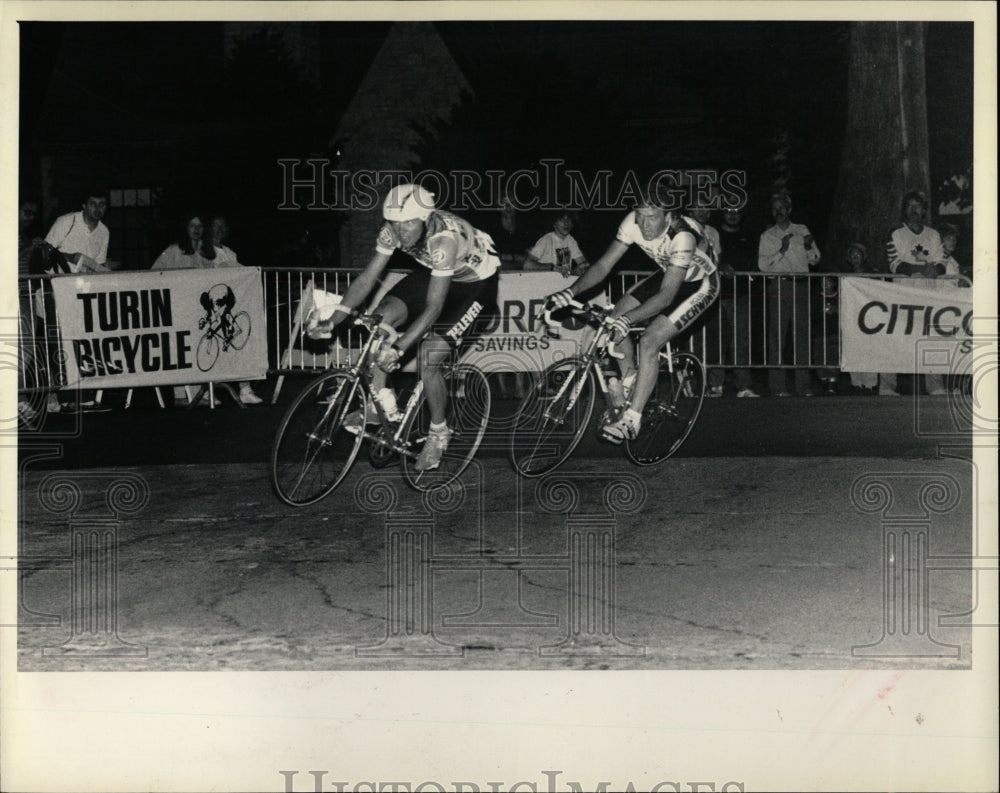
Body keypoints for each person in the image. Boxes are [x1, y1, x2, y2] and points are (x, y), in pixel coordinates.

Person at [308, 183, 500, 472]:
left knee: (428, 358)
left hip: (475, 287)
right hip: (436, 274)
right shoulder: (392, 230)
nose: (401, 231)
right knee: (379, 319)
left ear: (425, 219)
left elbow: (435, 307)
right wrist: (332, 321)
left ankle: (438, 432)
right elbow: (367, 278)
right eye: (395, 223)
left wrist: (399, 348)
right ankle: (381, 403)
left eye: (409, 223)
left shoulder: (442, 240)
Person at [543, 190, 720, 444]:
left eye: (651, 218)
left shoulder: (682, 236)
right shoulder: (632, 222)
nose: (644, 224)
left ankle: (632, 421)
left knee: (648, 340)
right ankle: (631, 380)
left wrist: (629, 320)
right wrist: (570, 292)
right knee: (612, 319)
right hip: (670, 271)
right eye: (640, 215)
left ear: (668, 217)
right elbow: (604, 266)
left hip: (699, 285)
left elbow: (667, 296)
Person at [42, 188, 115, 411]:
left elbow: (97, 264)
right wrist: (68, 257)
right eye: (93, 203)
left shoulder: (104, 231)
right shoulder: (66, 221)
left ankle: (80, 393)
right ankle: (54, 396)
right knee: (55, 340)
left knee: (81, 341)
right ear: (84, 205)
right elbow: (43, 252)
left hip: (82, 293)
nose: (97, 208)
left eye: (102, 204)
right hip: (55, 288)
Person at [882, 190, 946, 396]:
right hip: (902, 297)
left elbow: (942, 261)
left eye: (917, 206)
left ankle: (935, 385)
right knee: (895, 340)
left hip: (928, 297)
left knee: (931, 340)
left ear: (924, 209)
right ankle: (886, 386)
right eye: (909, 206)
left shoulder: (933, 235)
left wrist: (936, 269)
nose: (913, 210)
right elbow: (894, 263)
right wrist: (917, 269)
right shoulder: (896, 234)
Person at [757, 191, 820, 396]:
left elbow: (815, 259)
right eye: (775, 209)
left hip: (801, 285)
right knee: (777, 335)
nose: (778, 212)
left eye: (782, 207)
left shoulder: (802, 229)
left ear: (789, 209)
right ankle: (778, 386)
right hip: (780, 285)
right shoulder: (767, 236)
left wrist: (809, 246)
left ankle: (803, 385)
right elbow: (763, 266)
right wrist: (781, 250)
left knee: (802, 335)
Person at [209, 216, 263, 405]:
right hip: (211, 308)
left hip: (230, 307)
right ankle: (207, 390)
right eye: (215, 227)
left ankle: (245, 388)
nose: (219, 231)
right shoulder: (204, 252)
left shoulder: (230, 253)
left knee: (241, 339)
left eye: (222, 227)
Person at [715, 206, 760, 397]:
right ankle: (715, 385)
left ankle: (743, 386)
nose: (732, 215)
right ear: (722, 213)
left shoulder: (749, 235)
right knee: (717, 340)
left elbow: (755, 262)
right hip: (716, 294)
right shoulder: (714, 234)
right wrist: (721, 265)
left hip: (741, 294)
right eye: (728, 211)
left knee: (740, 340)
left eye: (736, 211)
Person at [841, 242, 878, 394]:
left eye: (858, 255)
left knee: (869, 349)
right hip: (852, 315)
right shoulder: (845, 276)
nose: (855, 258)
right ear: (849, 259)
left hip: (869, 316)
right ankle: (856, 383)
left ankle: (870, 384)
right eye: (852, 256)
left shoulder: (873, 273)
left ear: (864, 257)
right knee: (853, 348)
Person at [523, 209, 589, 276]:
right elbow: (527, 265)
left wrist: (577, 270)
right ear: (554, 223)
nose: (566, 223)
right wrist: (552, 267)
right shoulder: (545, 240)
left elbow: (584, 264)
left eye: (569, 219)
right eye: (561, 219)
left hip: (562, 284)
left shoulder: (570, 240)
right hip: (545, 283)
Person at [151, 213, 217, 270]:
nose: (196, 229)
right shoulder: (174, 250)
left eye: (200, 226)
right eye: (192, 225)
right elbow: (155, 272)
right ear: (186, 227)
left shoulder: (208, 251)